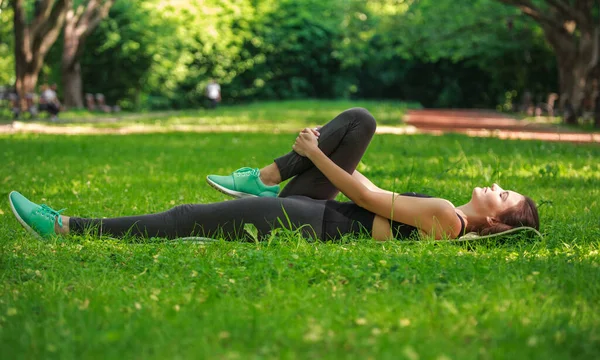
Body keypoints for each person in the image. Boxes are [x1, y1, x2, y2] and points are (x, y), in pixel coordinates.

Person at [9, 108, 539, 242]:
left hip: (318, 222)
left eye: (505, 194)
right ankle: (265, 175)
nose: (498, 185)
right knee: (359, 123)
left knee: (190, 218)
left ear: (499, 219)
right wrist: (322, 155)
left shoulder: (449, 220)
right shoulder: (446, 213)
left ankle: (67, 226)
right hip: (331, 211)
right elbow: (367, 194)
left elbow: (364, 193)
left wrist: (317, 153)